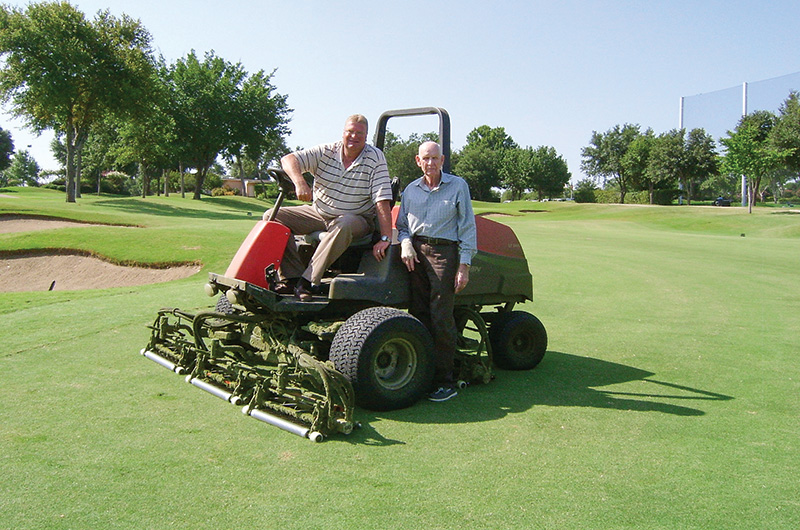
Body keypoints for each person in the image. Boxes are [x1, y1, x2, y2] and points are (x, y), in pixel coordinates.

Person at [265, 114, 394, 300]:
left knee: (344, 223)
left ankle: (308, 281)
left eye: (359, 133)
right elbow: (288, 159)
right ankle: (291, 278)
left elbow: (382, 199)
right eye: (350, 131)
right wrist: (299, 181)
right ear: (343, 132)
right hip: (319, 213)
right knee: (272, 216)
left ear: (366, 136)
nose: (354, 136)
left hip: (357, 219)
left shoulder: (374, 158)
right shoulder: (326, 151)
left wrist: (385, 237)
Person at [395, 141, 477, 402]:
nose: (430, 163)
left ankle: (445, 380)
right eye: (425, 159)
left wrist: (463, 266)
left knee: (441, 315)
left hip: (445, 253)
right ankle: (420, 373)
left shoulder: (457, 186)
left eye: (434, 158)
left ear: (442, 160)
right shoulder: (410, 190)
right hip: (416, 253)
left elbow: (467, 227)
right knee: (418, 312)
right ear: (417, 161)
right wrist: (406, 245)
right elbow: (403, 226)